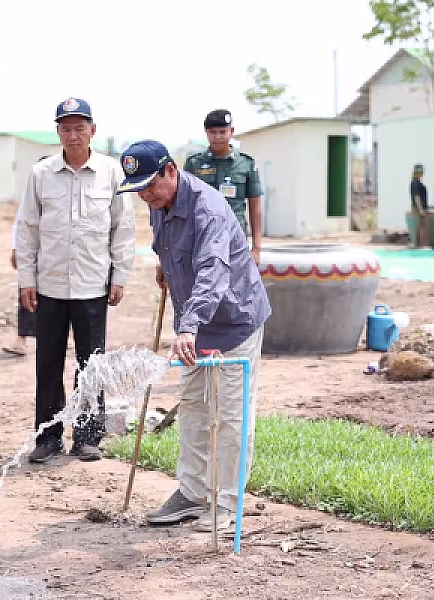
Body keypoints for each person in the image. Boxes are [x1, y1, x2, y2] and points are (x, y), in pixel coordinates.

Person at [116, 140, 270, 531]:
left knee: (230, 416)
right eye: (138, 189)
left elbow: (212, 271)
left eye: (150, 185)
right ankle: (192, 493)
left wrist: (188, 325)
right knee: (193, 410)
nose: (145, 195)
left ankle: (226, 505)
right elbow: (165, 243)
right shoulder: (158, 204)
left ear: (170, 171)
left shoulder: (209, 208)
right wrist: (165, 264)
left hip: (233, 321)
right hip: (194, 325)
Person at [15, 98, 136, 463]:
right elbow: (27, 228)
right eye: (65, 128)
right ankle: (48, 437)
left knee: (91, 363)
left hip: (93, 284)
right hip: (49, 284)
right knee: (47, 363)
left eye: (79, 127)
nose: (72, 134)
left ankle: (88, 436)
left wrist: (120, 276)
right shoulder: (41, 173)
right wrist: (26, 278)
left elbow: (123, 228)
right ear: (58, 133)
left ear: (92, 130)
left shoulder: (111, 173)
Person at [184, 110, 263, 264]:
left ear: (231, 132)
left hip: (235, 239)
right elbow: (183, 205)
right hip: (202, 237)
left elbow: (255, 207)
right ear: (206, 133)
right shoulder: (194, 164)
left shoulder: (247, 164)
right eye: (213, 132)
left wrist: (256, 248)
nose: (218, 137)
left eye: (222, 131)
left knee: (235, 286)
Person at [2, 155, 50, 357]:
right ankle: (21, 340)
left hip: (56, 255)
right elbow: (21, 222)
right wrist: (16, 249)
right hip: (32, 252)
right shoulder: (31, 192)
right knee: (27, 293)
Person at [410, 163, 430, 248]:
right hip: (419, 208)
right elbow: (416, 196)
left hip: (419, 207)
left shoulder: (417, 182)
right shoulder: (415, 182)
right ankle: (422, 245)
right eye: (421, 171)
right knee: (423, 227)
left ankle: (418, 245)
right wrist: (421, 209)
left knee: (420, 227)